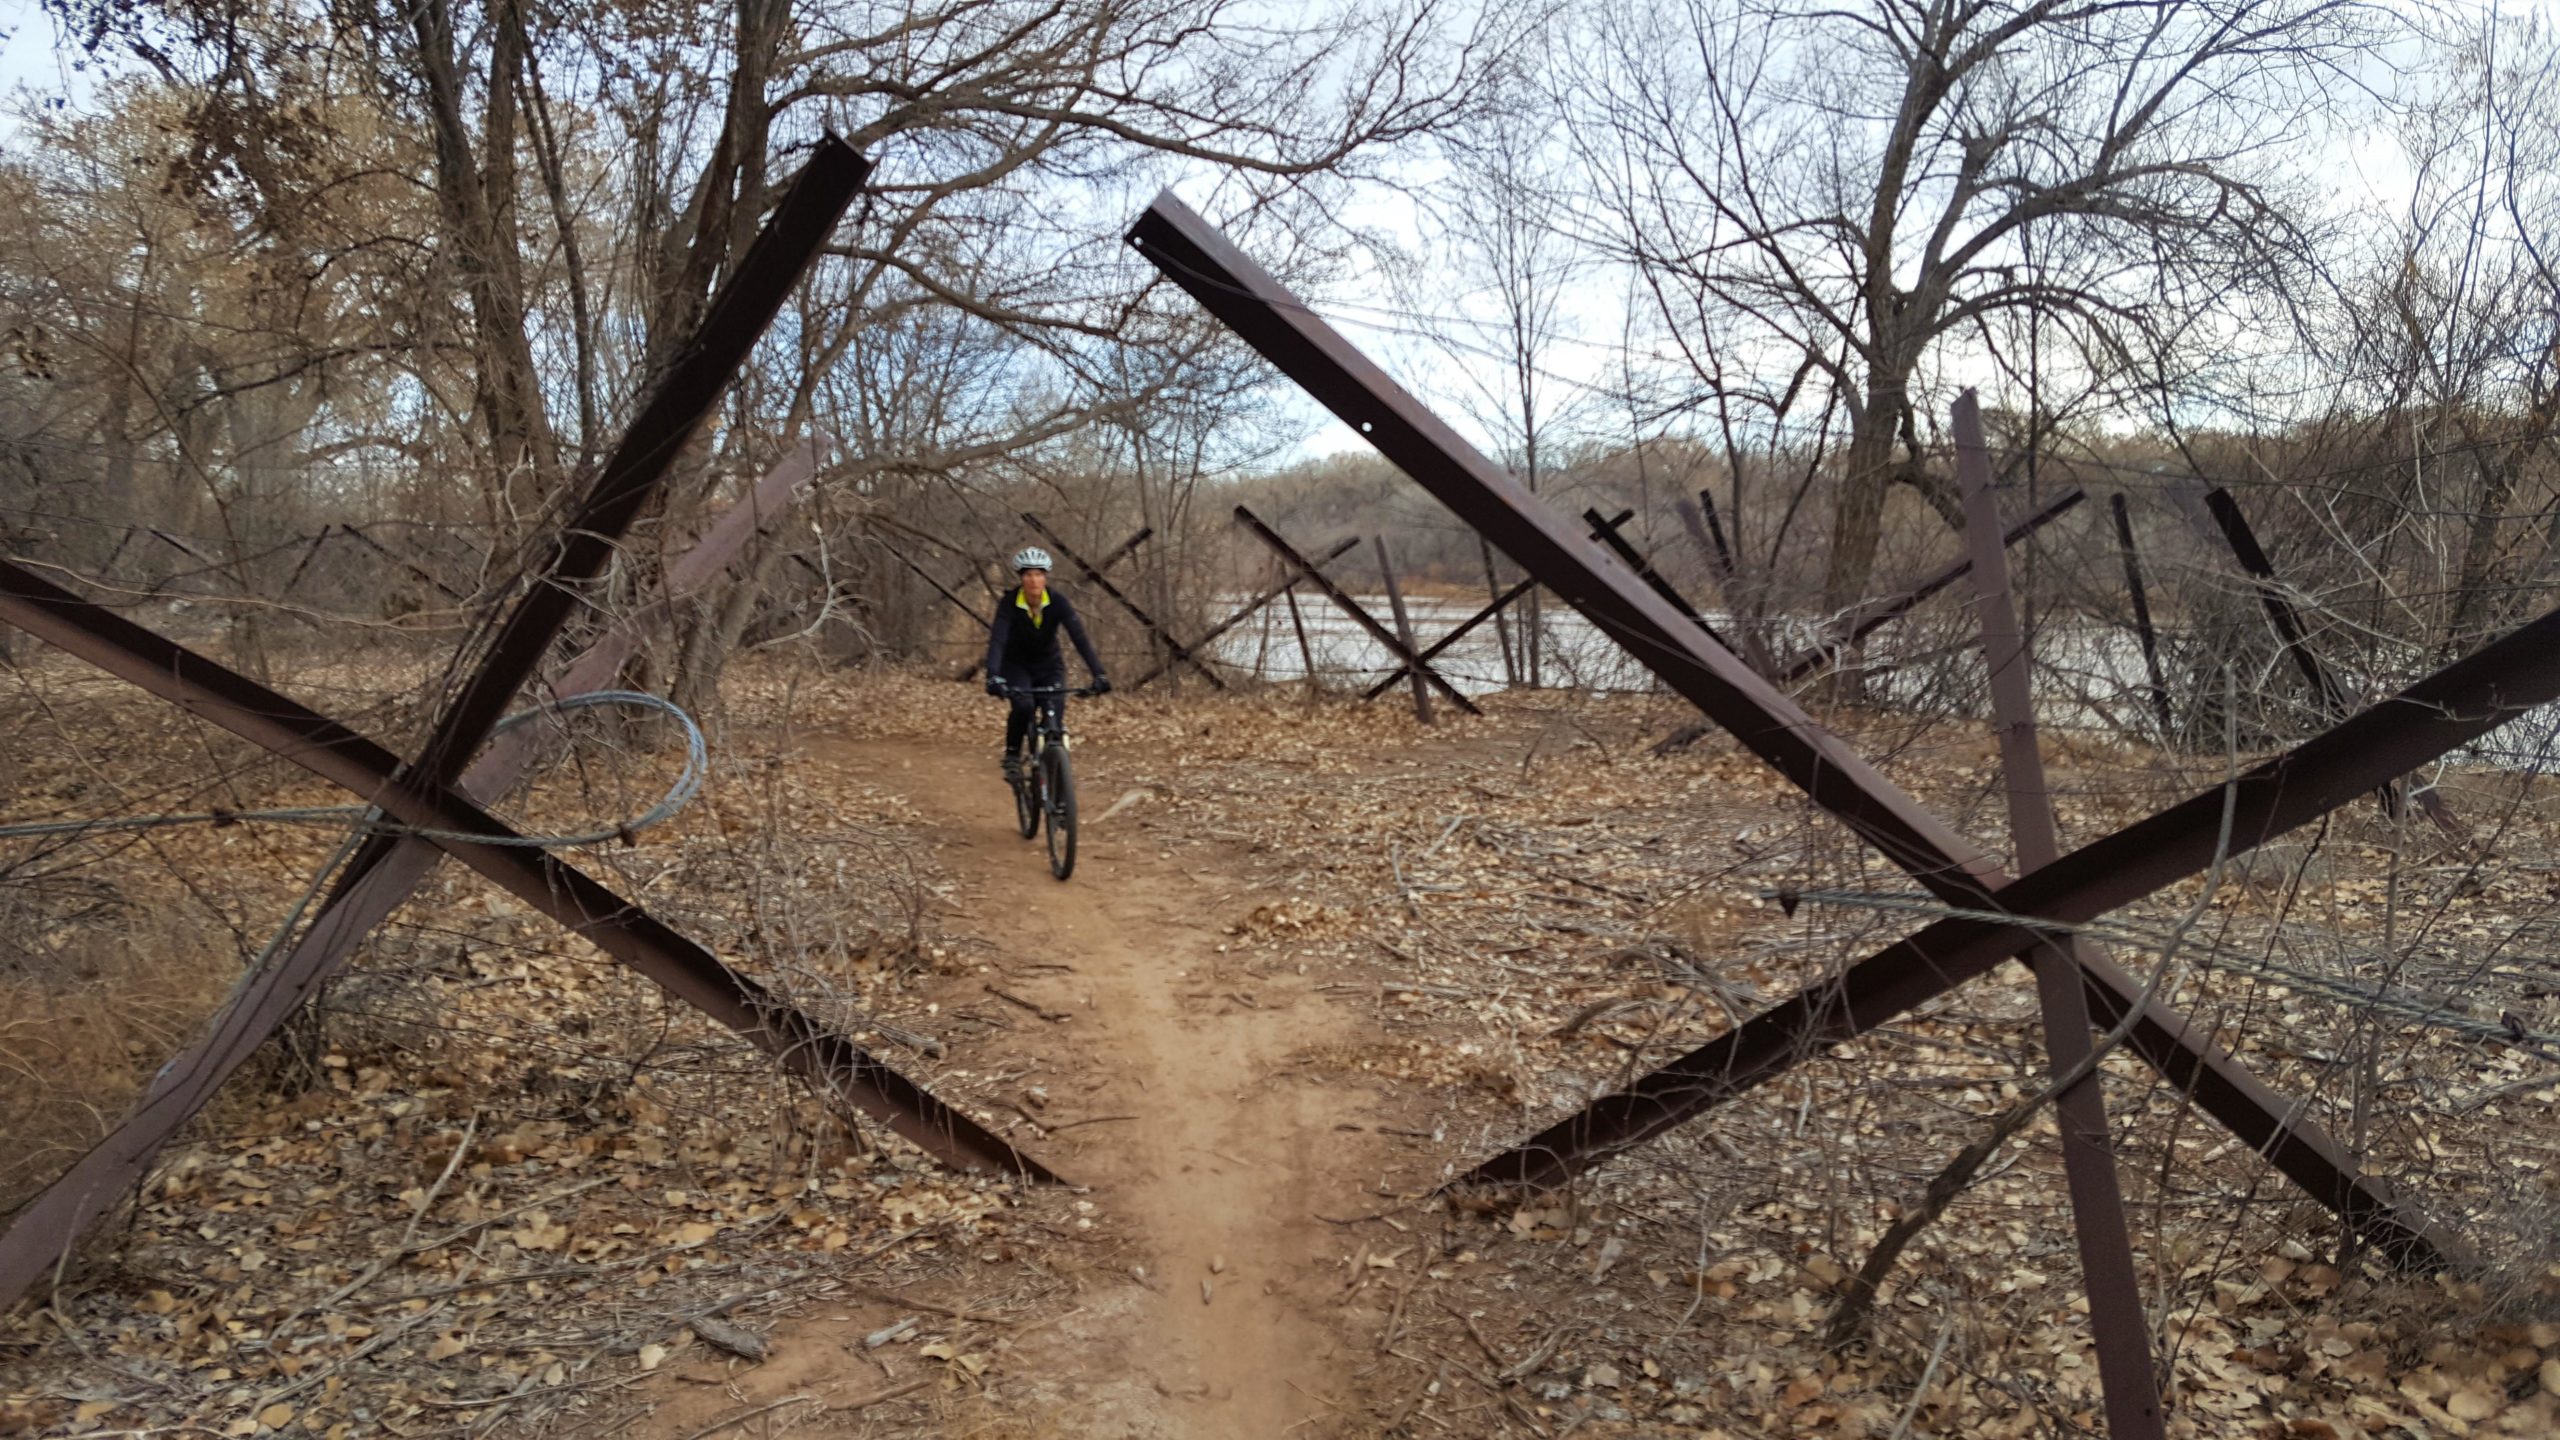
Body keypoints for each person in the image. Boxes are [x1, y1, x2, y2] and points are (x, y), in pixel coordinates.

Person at [984, 546, 1109, 779]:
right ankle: (1012, 754)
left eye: (1039, 574)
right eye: (1029, 575)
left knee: (1054, 713)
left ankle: (1054, 776)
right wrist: (993, 675)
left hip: (1049, 665)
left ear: (1046, 577)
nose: (1034, 580)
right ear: (1021, 578)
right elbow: (998, 640)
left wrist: (1099, 674)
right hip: (1016, 665)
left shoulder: (1058, 602)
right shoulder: (1010, 603)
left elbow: (1079, 638)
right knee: (1024, 706)